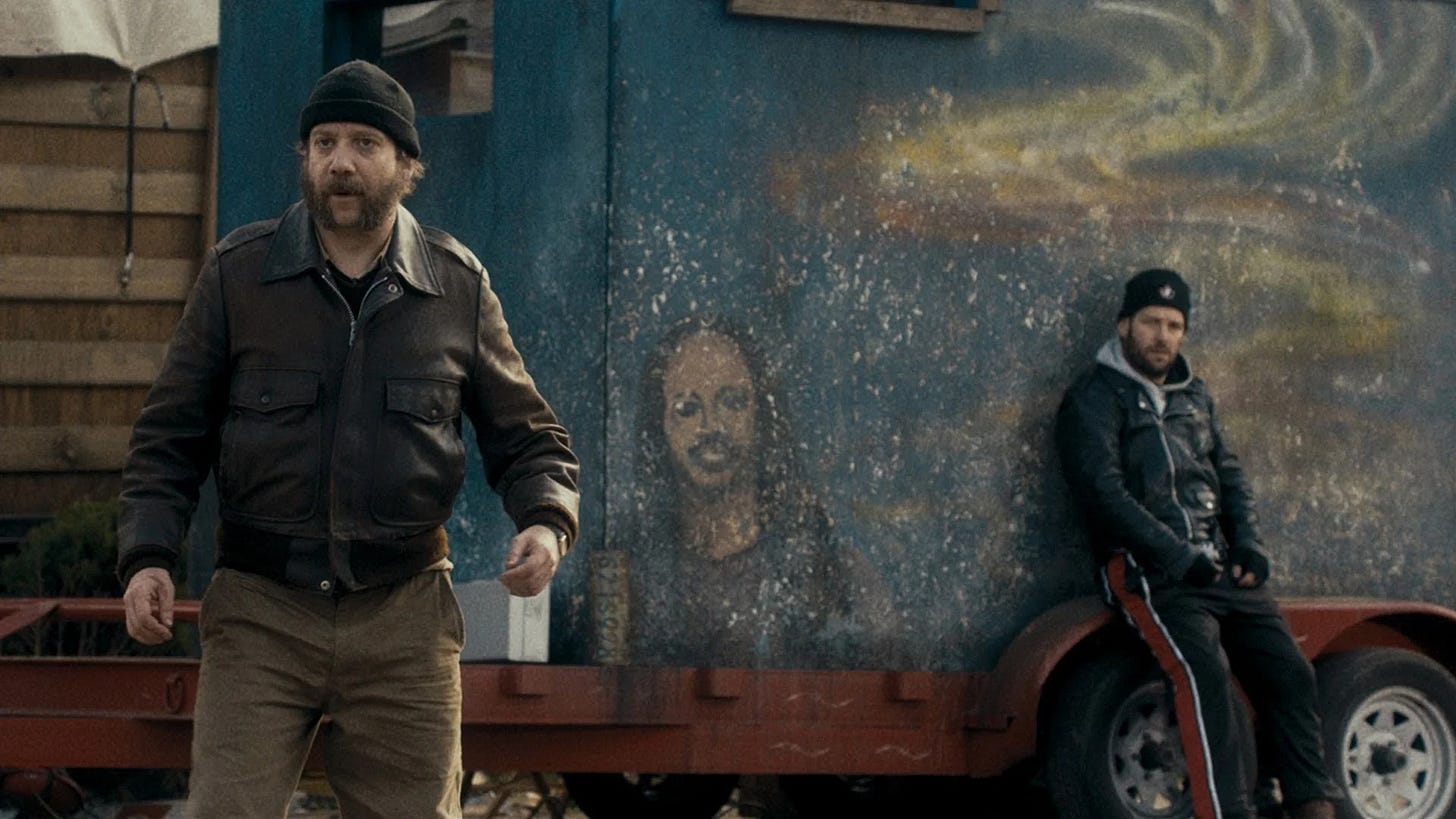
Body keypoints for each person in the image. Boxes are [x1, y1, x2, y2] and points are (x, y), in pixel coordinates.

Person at [115, 60, 580, 819]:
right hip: (262, 611)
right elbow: (168, 437)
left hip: (404, 619)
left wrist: (546, 521)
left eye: (365, 143)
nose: (340, 161)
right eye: (324, 142)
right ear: (304, 157)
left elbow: (531, 439)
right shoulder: (239, 277)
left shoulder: (456, 288)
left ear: (406, 165)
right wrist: (147, 556)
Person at [1054, 269, 1343, 819]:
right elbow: (1102, 493)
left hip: (1215, 568)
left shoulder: (1195, 396)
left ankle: (1313, 805)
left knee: (1290, 670)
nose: (1162, 336)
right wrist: (1175, 555)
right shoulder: (1093, 398)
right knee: (1202, 674)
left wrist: (1249, 546)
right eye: (1151, 323)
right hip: (1148, 571)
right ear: (1125, 325)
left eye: (1174, 325)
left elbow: (1228, 475)